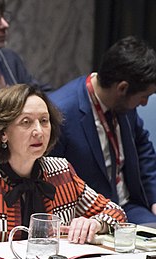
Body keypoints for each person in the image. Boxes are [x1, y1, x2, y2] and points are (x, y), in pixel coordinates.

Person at [0, 84, 126, 255]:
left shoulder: (61, 171)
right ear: (2, 133)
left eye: (44, 121)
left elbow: (116, 213)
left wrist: (96, 224)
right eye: (26, 122)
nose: (38, 131)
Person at [50, 36, 156, 224]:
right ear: (122, 88)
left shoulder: (123, 106)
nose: (144, 103)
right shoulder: (60, 113)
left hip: (129, 208)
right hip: (88, 217)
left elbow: (143, 149)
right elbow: (50, 179)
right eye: (143, 96)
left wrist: (154, 200)